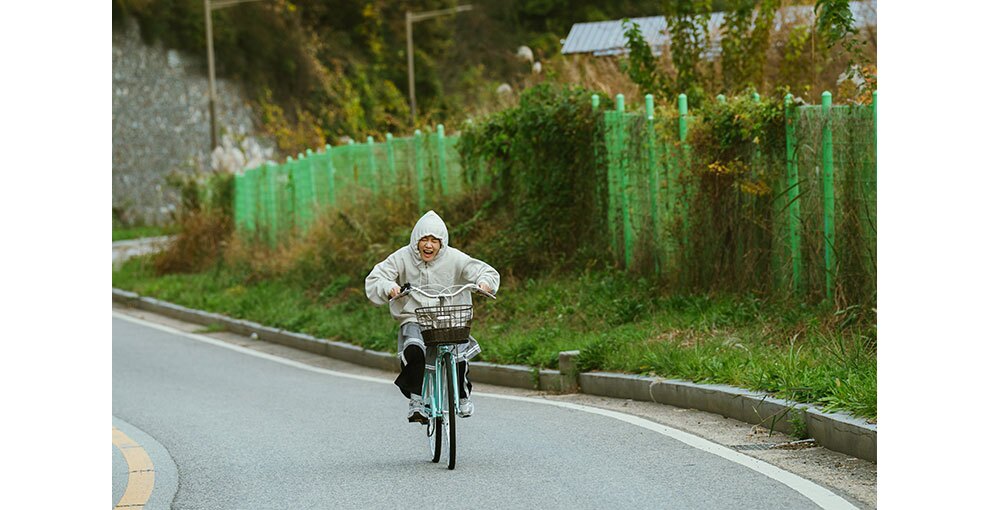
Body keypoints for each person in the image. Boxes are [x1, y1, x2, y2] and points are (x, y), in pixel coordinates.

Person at [365, 210, 500, 423]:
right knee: (414, 350)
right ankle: (417, 401)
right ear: (415, 241)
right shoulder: (402, 257)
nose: (429, 245)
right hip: (415, 317)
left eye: (435, 241)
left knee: (457, 355)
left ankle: (463, 395)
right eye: (424, 240)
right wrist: (390, 287)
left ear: (442, 243)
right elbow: (376, 277)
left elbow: (485, 272)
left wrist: (484, 284)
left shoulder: (455, 257)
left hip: (450, 316)